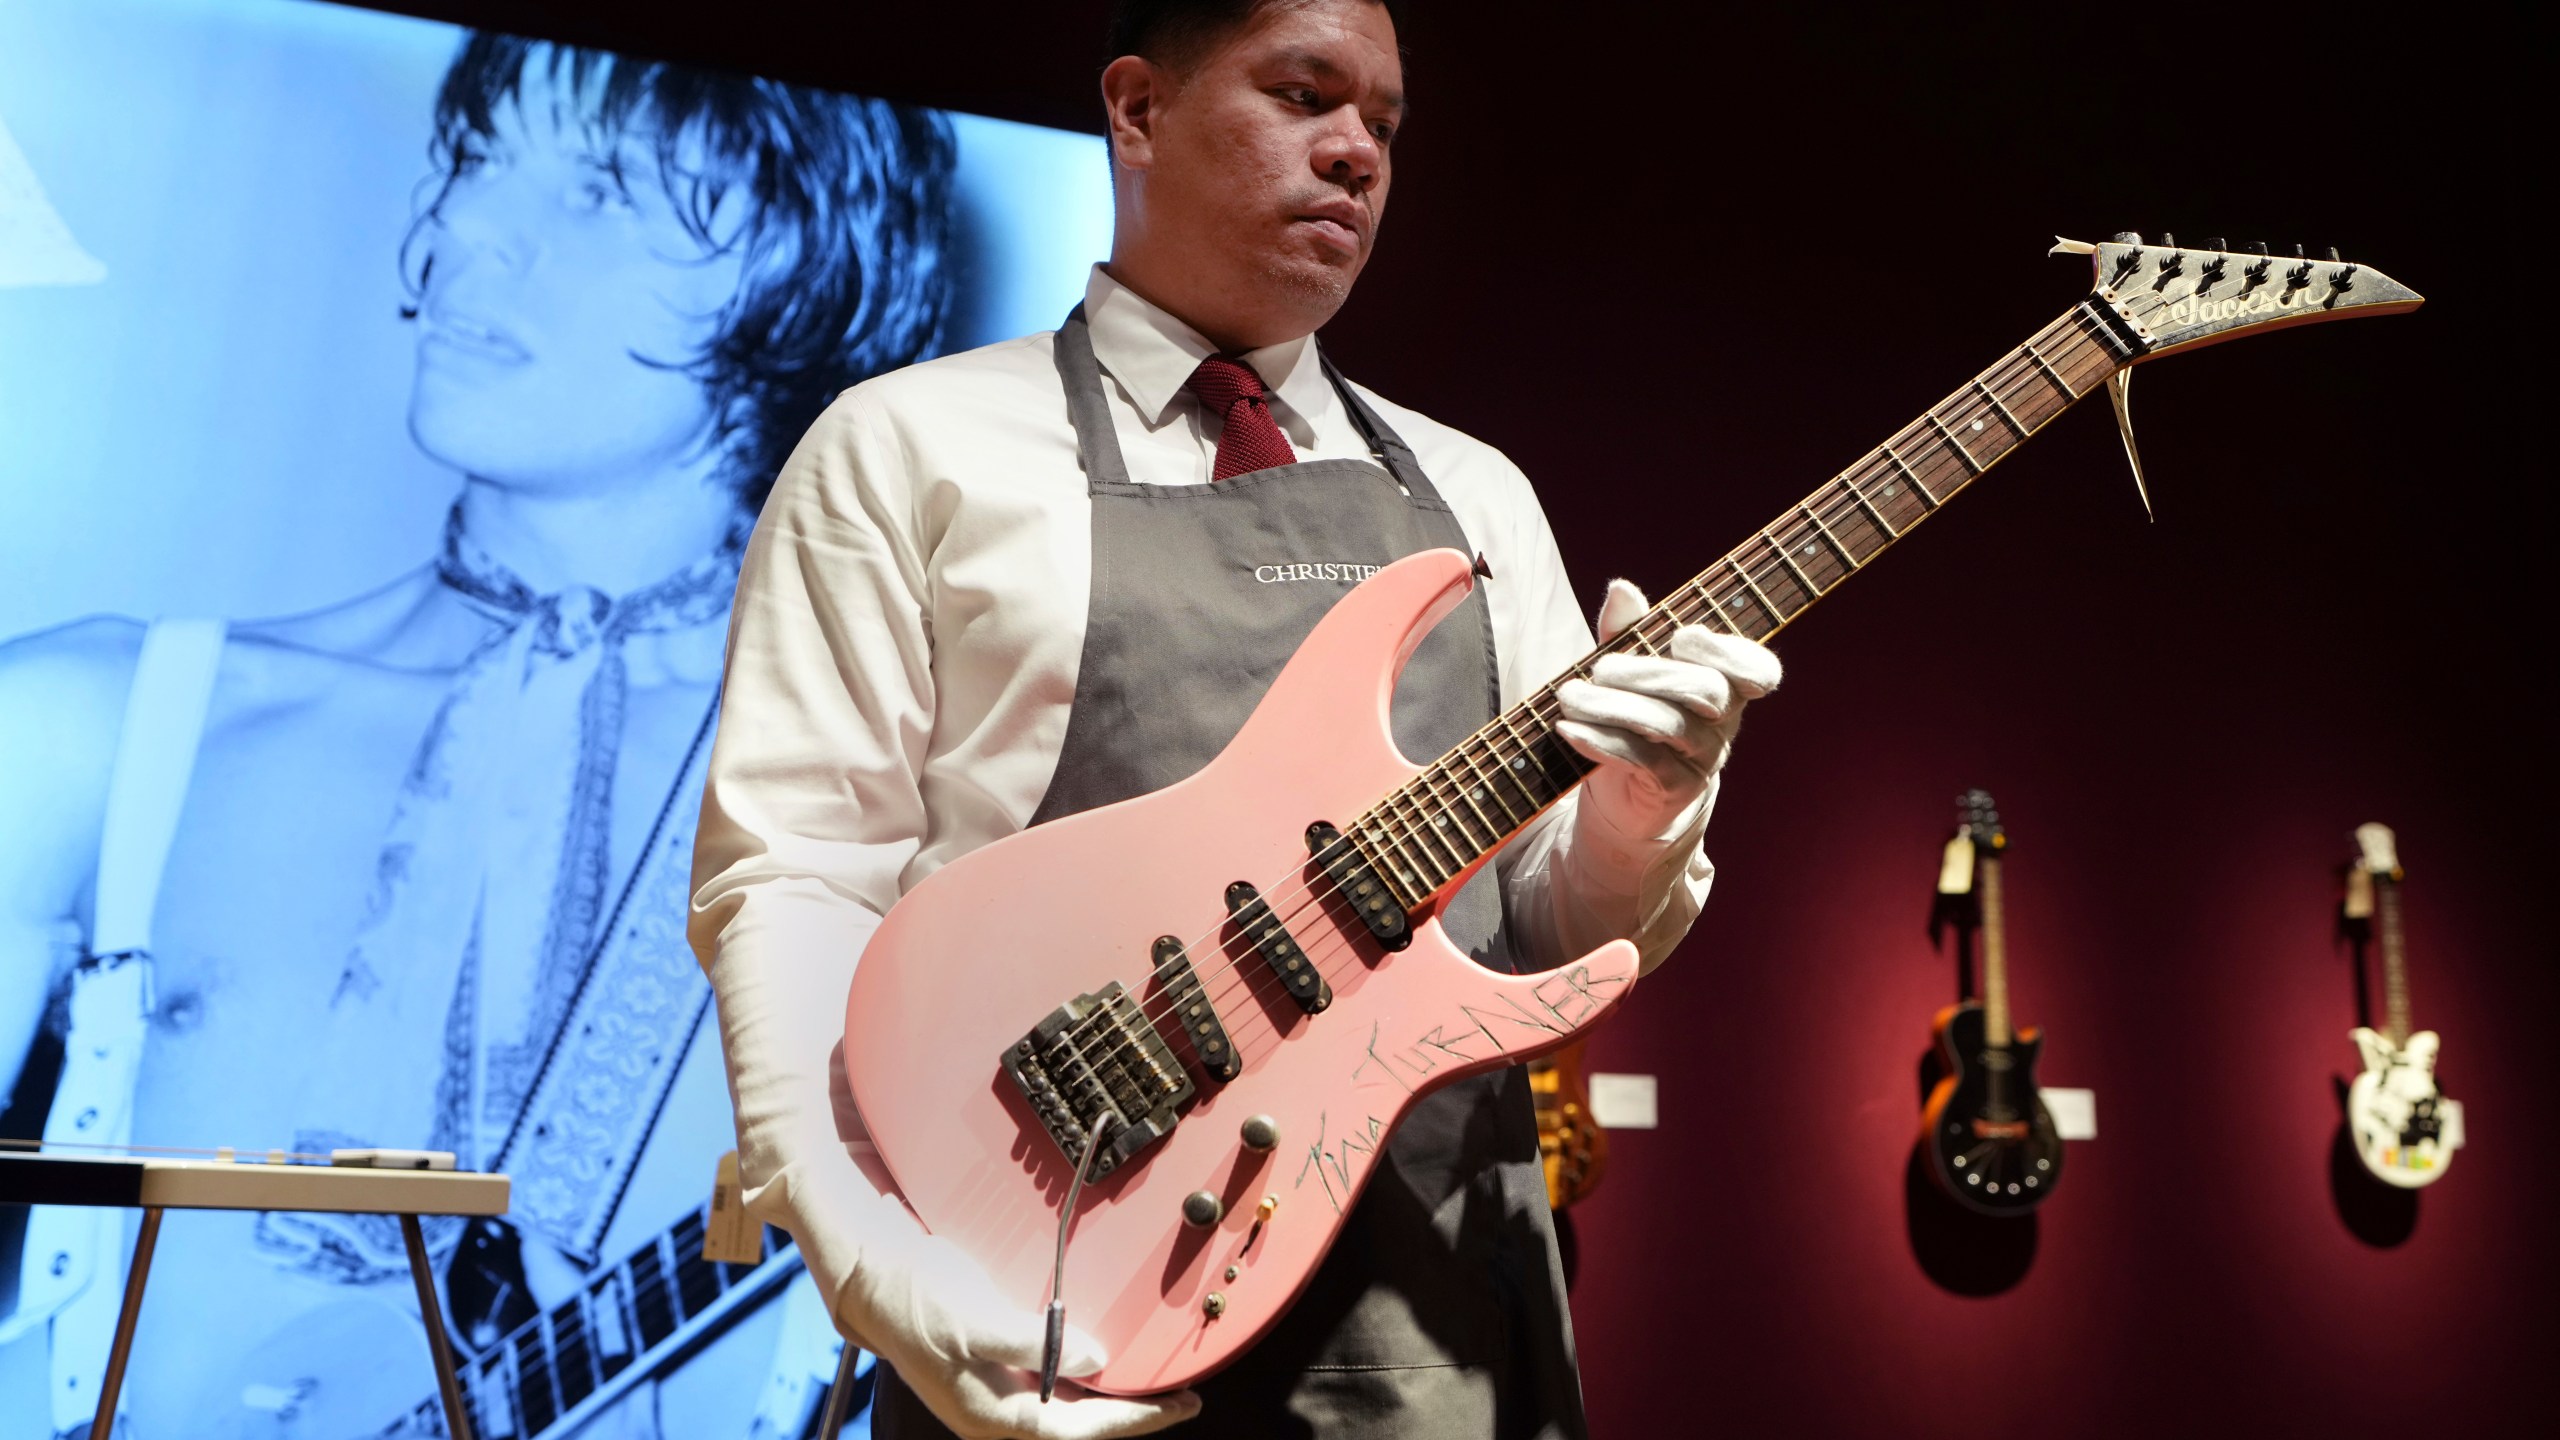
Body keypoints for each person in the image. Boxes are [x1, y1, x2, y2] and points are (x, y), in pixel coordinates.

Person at [688, 2, 1785, 1438]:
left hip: (1431, 1328)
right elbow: (796, 872)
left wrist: (1642, 820)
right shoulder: (908, 449)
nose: (1357, 156)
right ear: (1138, 111)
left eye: (1385, 125)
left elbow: (1542, 934)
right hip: (1045, 1305)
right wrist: (868, 1256)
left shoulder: (1477, 494)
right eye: (1305, 94)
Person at [0, 35, 950, 1439]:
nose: (463, 231)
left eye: (607, 191)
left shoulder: (926, 841)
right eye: (482, 161)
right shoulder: (93, 727)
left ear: (805, 264)